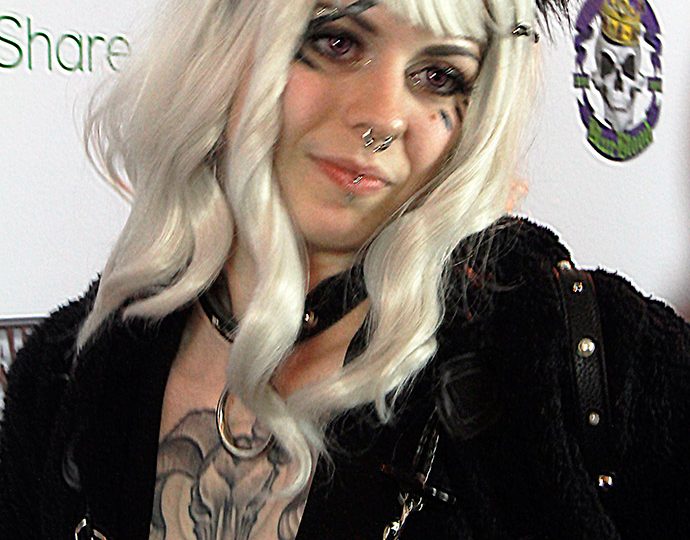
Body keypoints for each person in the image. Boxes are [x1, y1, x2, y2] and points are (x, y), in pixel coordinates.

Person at [1, 0, 688, 538]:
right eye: (337, 43)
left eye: (439, 76)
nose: (381, 117)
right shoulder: (68, 378)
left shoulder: (596, 357)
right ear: (229, 47)